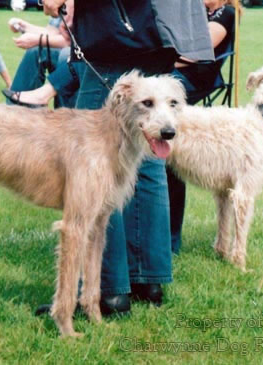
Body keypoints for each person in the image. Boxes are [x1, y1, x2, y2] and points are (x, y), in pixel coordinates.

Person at [38, 0, 213, 316]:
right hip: (154, 30)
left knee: (96, 168)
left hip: (117, 31)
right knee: (146, 151)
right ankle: (147, 280)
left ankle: (107, 292)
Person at [167, 0, 239, 255]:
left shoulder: (226, 13)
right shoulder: (197, 11)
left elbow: (199, 50)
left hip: (195, 77)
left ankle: (171, 236)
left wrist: (163, 59)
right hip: (175, 70)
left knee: (163, 90)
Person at [2, 0, 75, 108]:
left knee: (65, 55)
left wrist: (39, 40)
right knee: (36, 51)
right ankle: (13, 108)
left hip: (86, 61)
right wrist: (25, 27)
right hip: (72, 56)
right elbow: (52, 32)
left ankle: (62, 116)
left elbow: (73, 42)